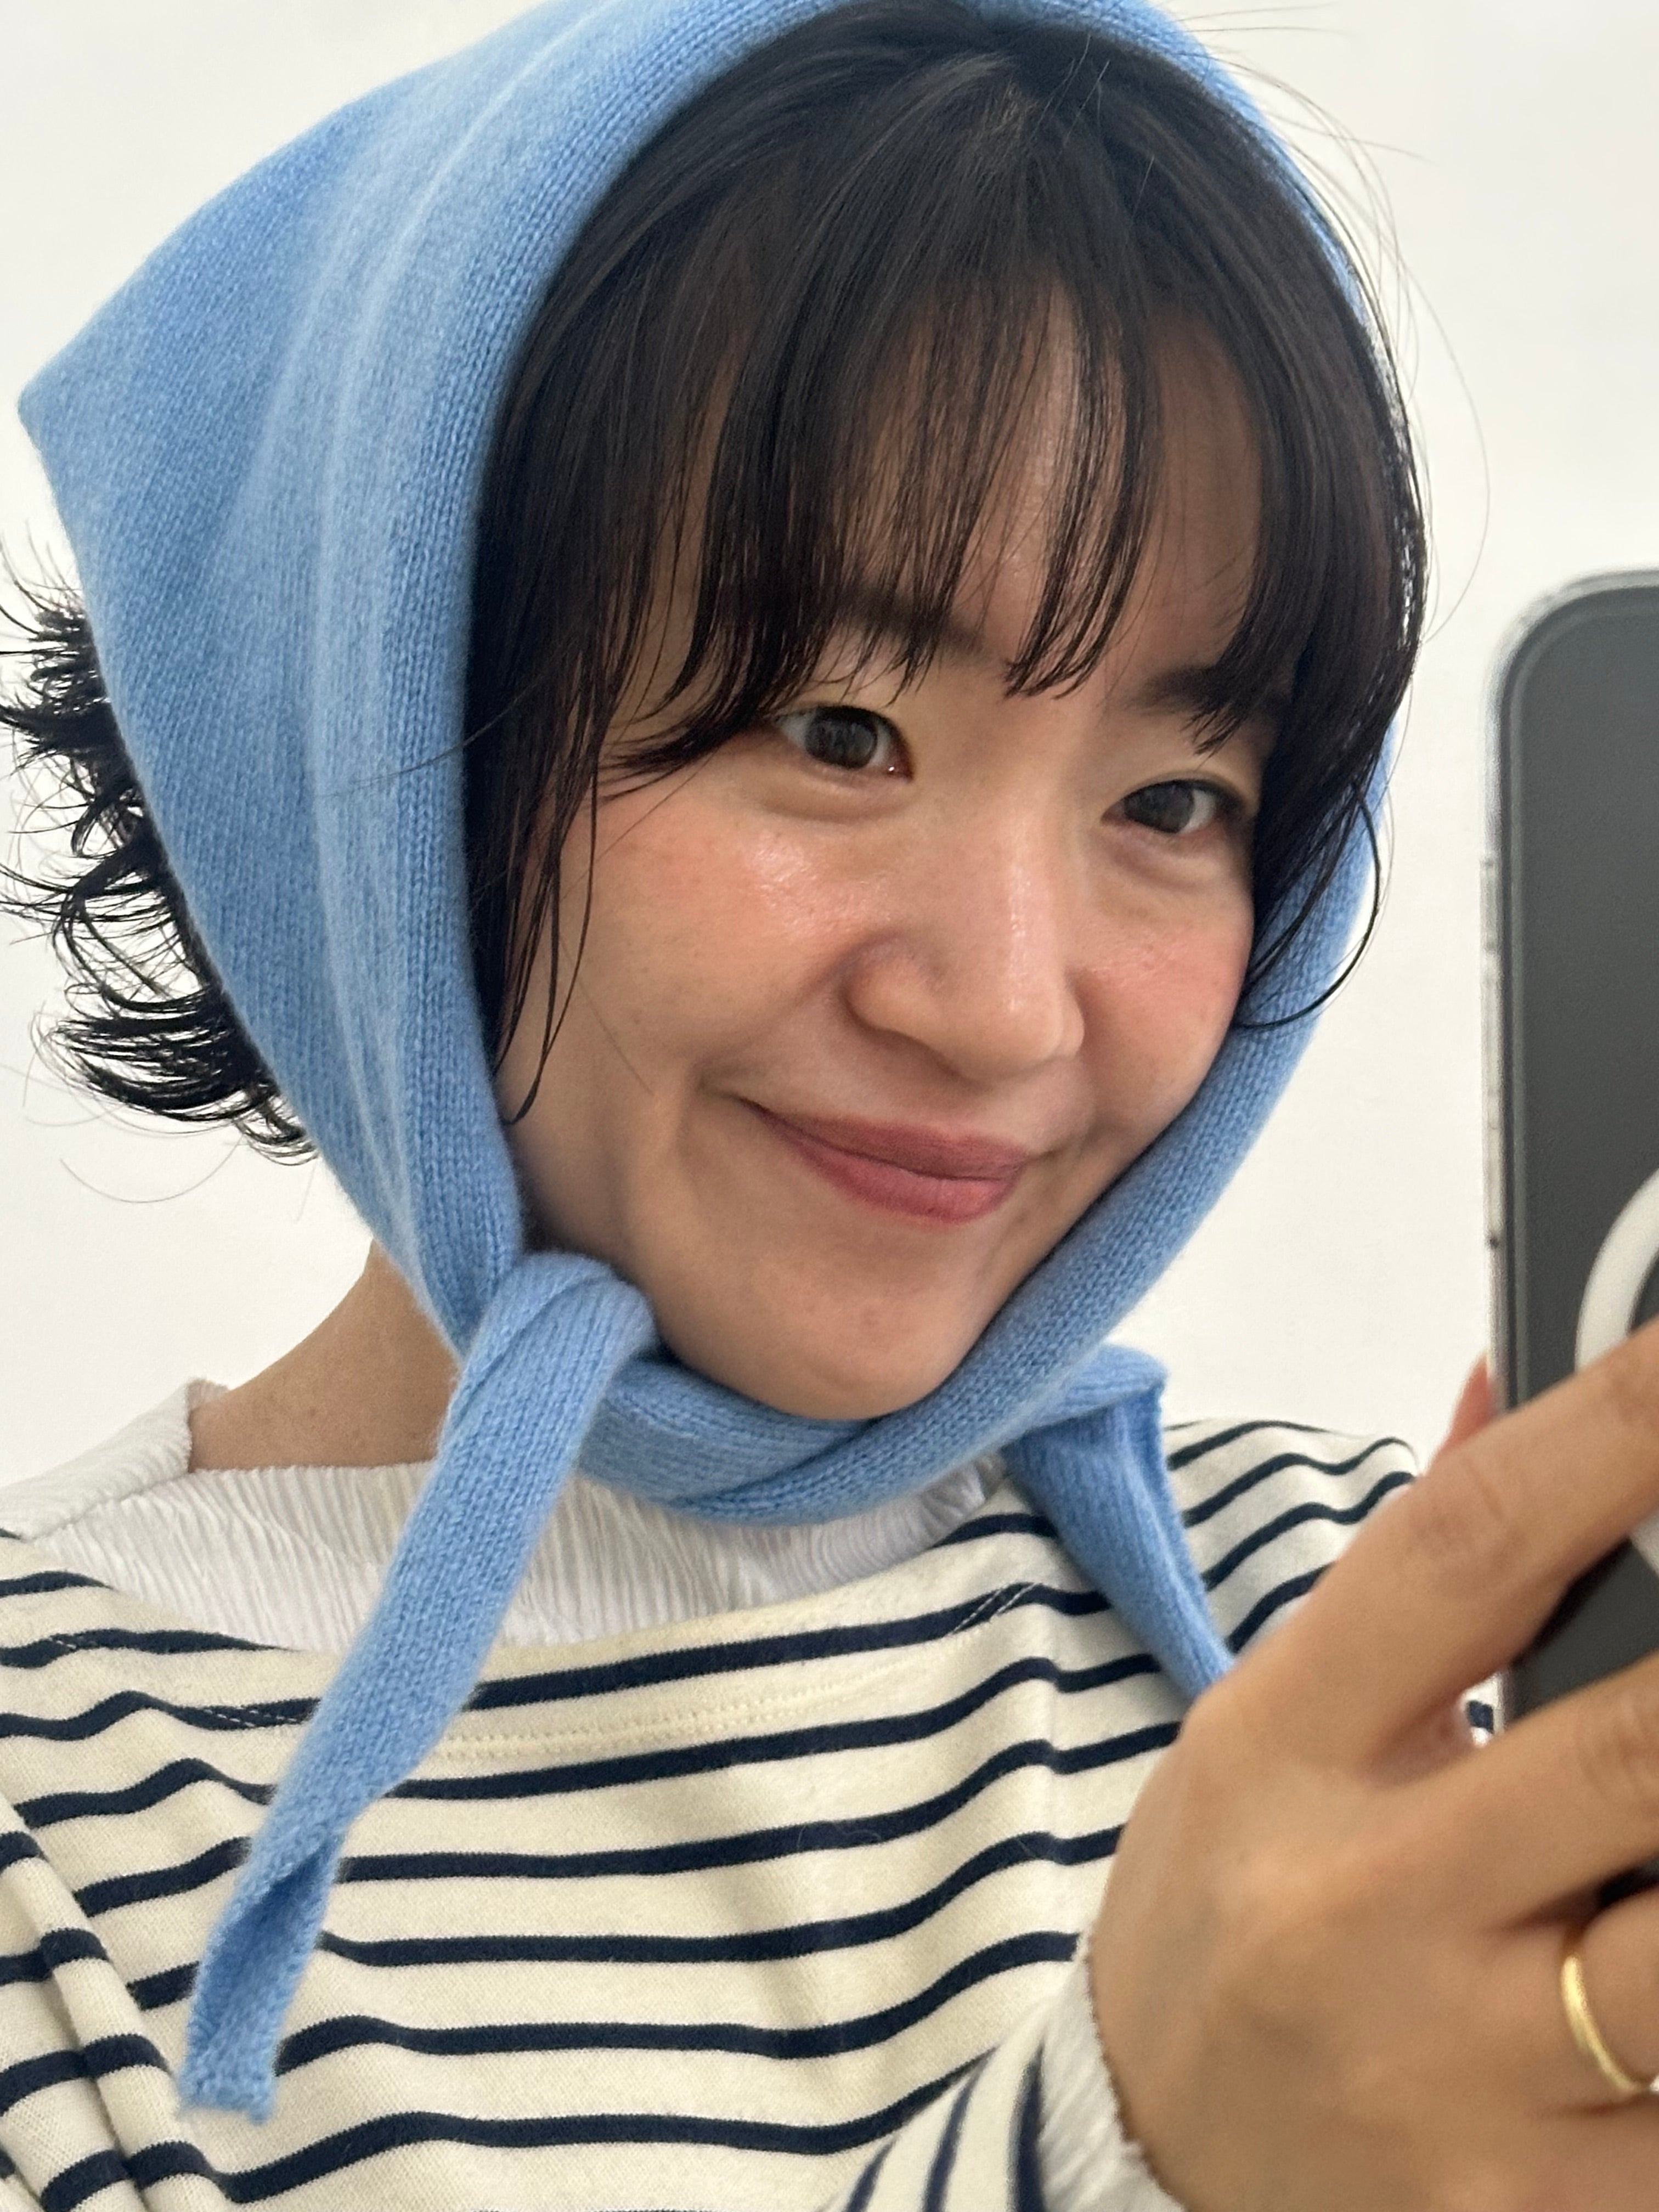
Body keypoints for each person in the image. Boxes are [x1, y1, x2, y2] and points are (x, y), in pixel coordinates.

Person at [4, 1, 1659, 2208]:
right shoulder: (51, 1803)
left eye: (1174, 799)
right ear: (377, 714)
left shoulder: (1401, 1646)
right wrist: (1134, 2151)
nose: (1004, 1011)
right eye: (835, 731)